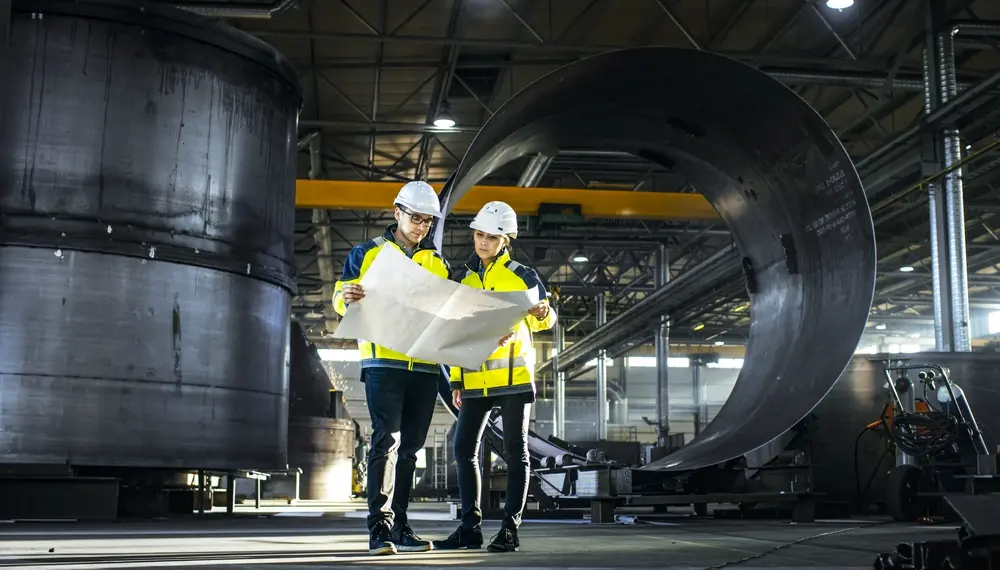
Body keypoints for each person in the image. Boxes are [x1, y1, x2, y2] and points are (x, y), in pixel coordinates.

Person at [332, 180, 449, 556]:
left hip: (426, 367)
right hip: (384, 363)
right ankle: (378, 530)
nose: (421, 226)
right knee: (387, 442)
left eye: (428, 221)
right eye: (416, 218)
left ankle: (401, 527)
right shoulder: (366, 253)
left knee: (411, 450)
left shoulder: (438, 262)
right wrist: (344, 297)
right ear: (397, 212)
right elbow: (341, 296)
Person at [433, 201, 556, 553]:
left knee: (516, 453)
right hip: (473, 378)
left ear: (506, 239)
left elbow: (545, 321)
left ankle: (509, 529)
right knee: (463, 449)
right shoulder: (463, 280)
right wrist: (456, 380)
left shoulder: (522, 275)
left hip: (513, 378)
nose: (483, 242)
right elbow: (455, 334)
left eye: (491, 236)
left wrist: (545, 312)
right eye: (479, 234)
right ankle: (469, 528)